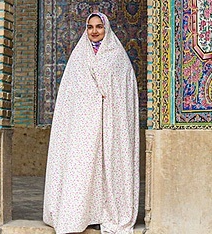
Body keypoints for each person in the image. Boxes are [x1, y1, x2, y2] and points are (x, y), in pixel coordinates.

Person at [43, 12, 140, 234]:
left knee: (107, 166)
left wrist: (107, 103)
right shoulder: (79, 57)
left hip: (110, 126)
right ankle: (81, 214)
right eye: (90, 27)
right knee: (83, 167)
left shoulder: (118, 58)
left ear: (107, 29)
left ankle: (105, 213)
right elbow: (72, 94)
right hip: (84, 126)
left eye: (99, 27)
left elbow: (122, 94)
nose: (94, 31)